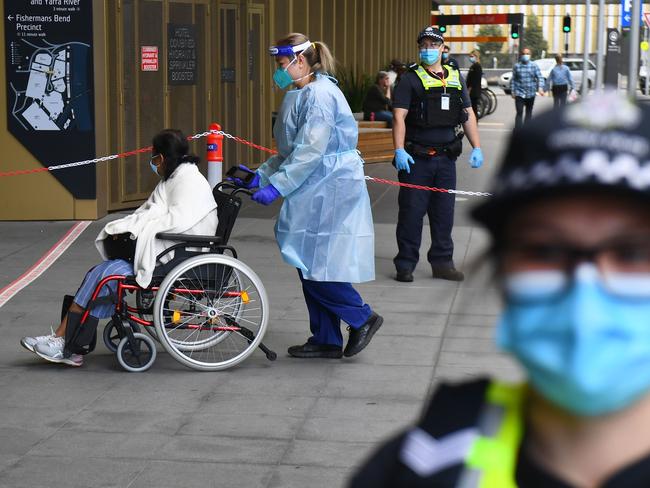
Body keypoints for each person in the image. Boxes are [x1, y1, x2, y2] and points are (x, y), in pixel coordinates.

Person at [350, 90, 650, 487]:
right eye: (544, 249)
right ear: (504, 273)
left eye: (632, 253)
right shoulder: (420, 468)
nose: (585, 294)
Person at [231, 33, 382, 359]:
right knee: (311, 263)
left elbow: (310, 153)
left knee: (315, 265)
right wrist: (262, 173)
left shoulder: (320, 97)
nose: (279, 71)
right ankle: (326, 338)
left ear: (300, 61)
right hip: (317, 185)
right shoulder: (300, 95)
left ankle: (361, 316)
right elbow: (292, 151)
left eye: (282, 64)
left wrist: (277, 186)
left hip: (330, 185)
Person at [20, 129, 219, 366]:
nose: (153, 163)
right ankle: (63, 340)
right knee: (101, 274)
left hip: (179, 254)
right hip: (171, 249)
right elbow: (156, 211)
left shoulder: (189, 181)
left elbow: (178, 221)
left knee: (106, 275)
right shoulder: (177, 177)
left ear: (162, 158)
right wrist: (133, 225)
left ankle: (65, 344)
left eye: (154, 158)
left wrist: (140, 229)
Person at [391, 26, 483, 283]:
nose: (428, 49)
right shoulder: (410, 78)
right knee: (411, 213)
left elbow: (468, 113)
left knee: (444, 214)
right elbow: (399, 116)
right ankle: (406, 263)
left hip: (446, 159)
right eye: (424, 45)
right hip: (416, 159)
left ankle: (442, 262)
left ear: (443, 48)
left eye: (433, 45)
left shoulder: (454, 76)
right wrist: (398, 149)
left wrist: (477, 146)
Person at [510, 47, 545, 128]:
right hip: (519, 94)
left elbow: (540, 77)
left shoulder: (534, 66)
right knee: (519, 112)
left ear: (530, 55)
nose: (525, 55)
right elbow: (514, 80)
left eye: (527, 54)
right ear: (521, 55)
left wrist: (540, 88)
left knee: (528, 113)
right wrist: (512, 91)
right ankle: (518, 132)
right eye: (524, 54)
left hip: (531, 94)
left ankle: (526, 130)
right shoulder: (517, 66)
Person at [466, 49, 483, 119]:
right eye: (470, 56)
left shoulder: (477, 66)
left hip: (474, 92)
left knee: (473, 109)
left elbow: (474, 80)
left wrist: (469, 90)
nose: (470, 58)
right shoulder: (473, 66)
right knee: (473, 108)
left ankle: (475, 123)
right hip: (473, 91)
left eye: (472, 56)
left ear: (476, 56)